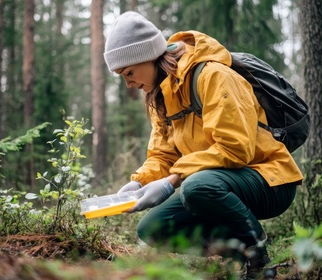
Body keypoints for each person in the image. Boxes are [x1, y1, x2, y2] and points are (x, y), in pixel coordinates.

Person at [103, 11, 303, 279]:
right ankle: (234, 258)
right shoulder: (160, 96)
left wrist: (172, 179)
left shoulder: (213, 76)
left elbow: (235, 149)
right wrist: (139, 183)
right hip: (214, 183)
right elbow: (163, 154)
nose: (128, 82)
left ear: (150, 56)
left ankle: (259, 259)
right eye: (121, 75)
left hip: (269, 180)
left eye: (129, 72)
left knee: (197, 186)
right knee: (152, 228)